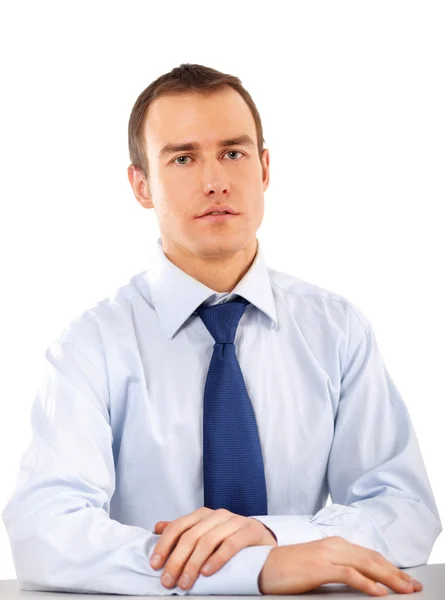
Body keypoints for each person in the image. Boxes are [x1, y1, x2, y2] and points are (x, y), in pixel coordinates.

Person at [1, 63, 440, 597]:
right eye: (183, 158)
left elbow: (406, 510)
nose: (215, 181)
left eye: (233, 153)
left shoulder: (336, 330)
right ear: (141, 185)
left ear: (264, 168)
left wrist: (274, 537)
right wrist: (250, 569)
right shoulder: (91, 346)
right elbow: (45, 531)